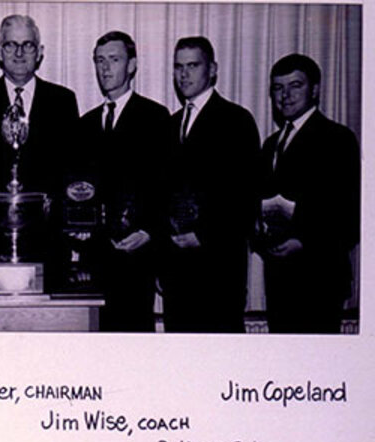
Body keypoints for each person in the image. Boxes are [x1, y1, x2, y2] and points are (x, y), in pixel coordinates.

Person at [160, 36, 260, 333]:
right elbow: (162, 193)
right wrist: (162, 259)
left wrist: (203, 236)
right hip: (176, 271)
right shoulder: (171, 123)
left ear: (212, 70)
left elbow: (245, 196)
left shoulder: (236, 120)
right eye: (178, 67)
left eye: (193, 65)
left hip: (219, 271)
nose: (184, 74)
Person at [255, 54, 359, 333]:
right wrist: (259, 236)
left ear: (315, 89)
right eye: (278, 87)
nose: (285, 95)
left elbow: (350, 215)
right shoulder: (270, 144)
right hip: (278, 278)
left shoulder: (338, 139)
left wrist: (304, 242)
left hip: (319, 277)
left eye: (295, 85)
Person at [77, 31, 170, 331]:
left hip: (136, 254)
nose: (105, 68)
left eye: (114, 60)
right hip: (95, 256)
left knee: (133, 340)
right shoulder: (85, 123)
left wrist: (150, 232)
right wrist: (76, 227)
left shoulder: (156, 117)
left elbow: (164, 184)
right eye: (100, 61)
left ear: (132, 65)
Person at [0, 14, 79, 199]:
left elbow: (71, 169)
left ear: (39, 52)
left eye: (28, 45)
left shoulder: (63, 101)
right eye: (10, 45)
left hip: (46, 221)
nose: (19, 53)